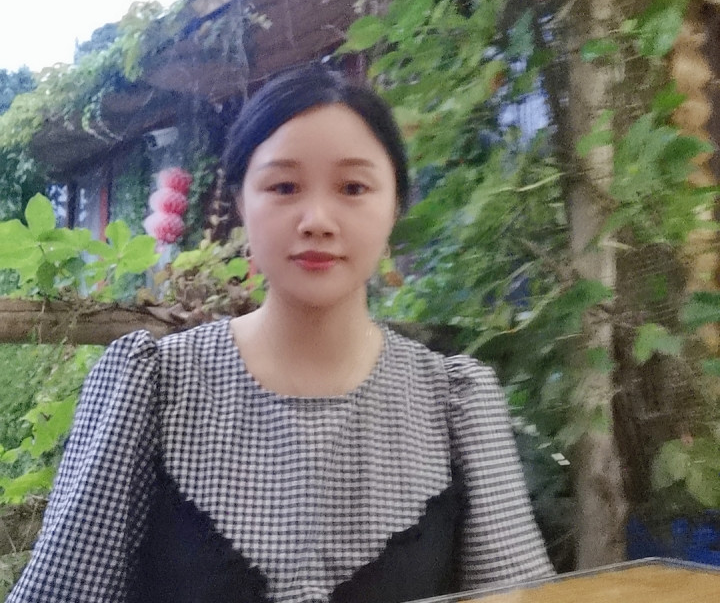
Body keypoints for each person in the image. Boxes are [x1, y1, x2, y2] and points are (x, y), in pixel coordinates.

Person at [8, 64, 553, 603]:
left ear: (394, 209)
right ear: (242, 204)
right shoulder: (154, 388)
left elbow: (519, 595)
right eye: (284, 186)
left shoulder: (455, 405)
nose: (317, 219)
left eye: (354, 187)